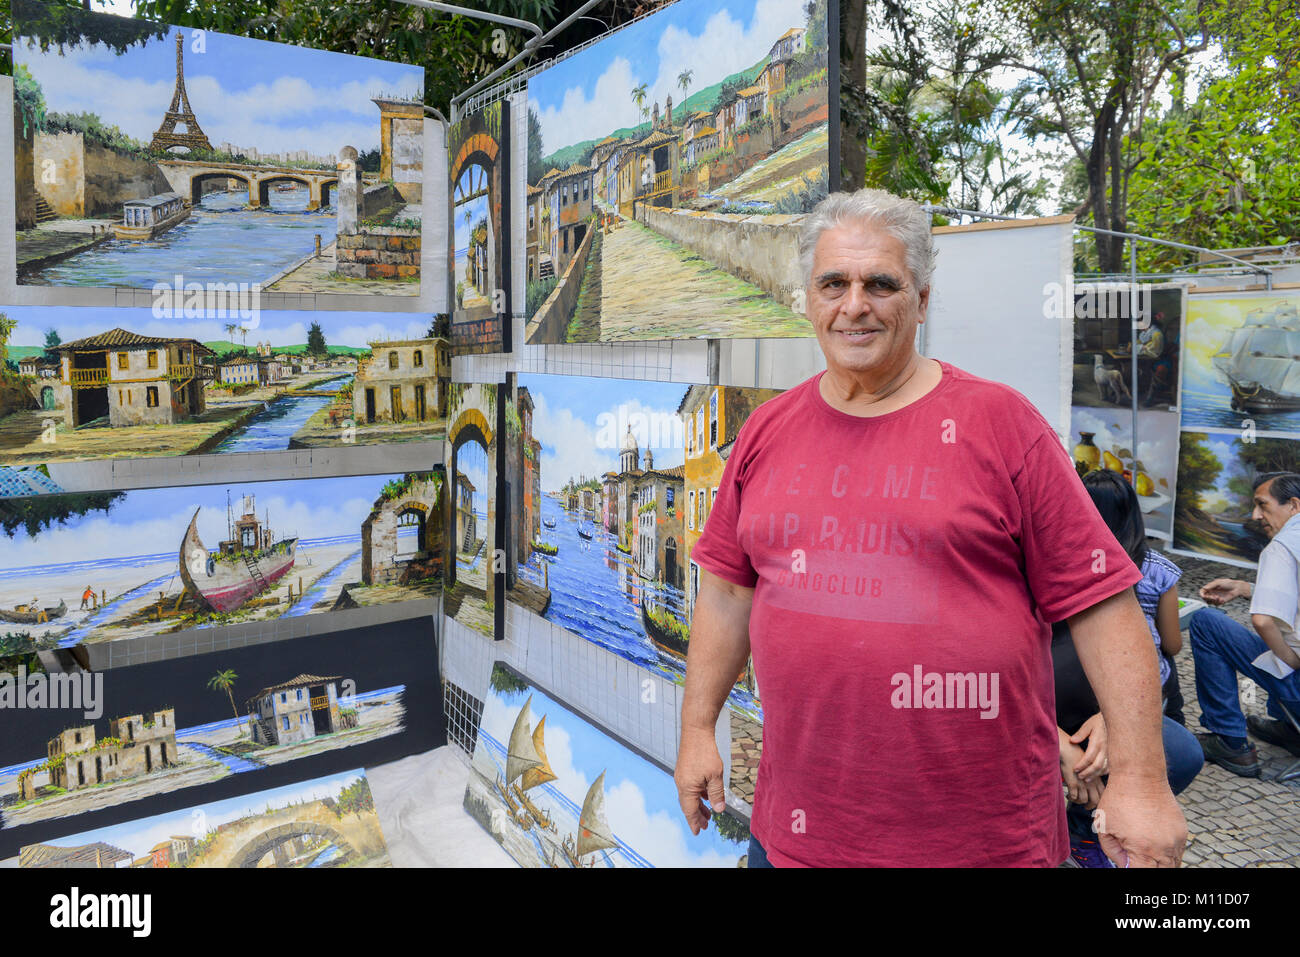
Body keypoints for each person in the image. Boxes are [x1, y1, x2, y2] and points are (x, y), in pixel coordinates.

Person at [673, 188, 1187, 868]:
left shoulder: (1002, 423)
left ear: (920, 299)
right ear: (808, 296)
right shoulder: (767, 431)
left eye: (880, 283)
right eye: (834, 283)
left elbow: (1101, 604)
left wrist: (1144, 782)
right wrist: (697, 728)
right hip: (797, 838)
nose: (854, 304)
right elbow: (728, 594)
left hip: (980, 846)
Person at [1053, 469, 1202, 867]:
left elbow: (1149, 658)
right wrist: (1053, 737)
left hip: (1095, 711)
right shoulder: (1042, 566)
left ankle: (1084, 831)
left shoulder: (1127, 573)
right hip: (1045, 716)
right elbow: (1171, 646)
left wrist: (1115, 717)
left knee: (1182, 751)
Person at [1191, 472, 1300, 775]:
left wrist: (1289, 659)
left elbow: (1263, 620)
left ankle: (1230, 741)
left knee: (1205, 622)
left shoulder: (1283, 545)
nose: (1255, 516)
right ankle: (1290, 731)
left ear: (1293, 505)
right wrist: (1242, 587)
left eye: (1262, 505)